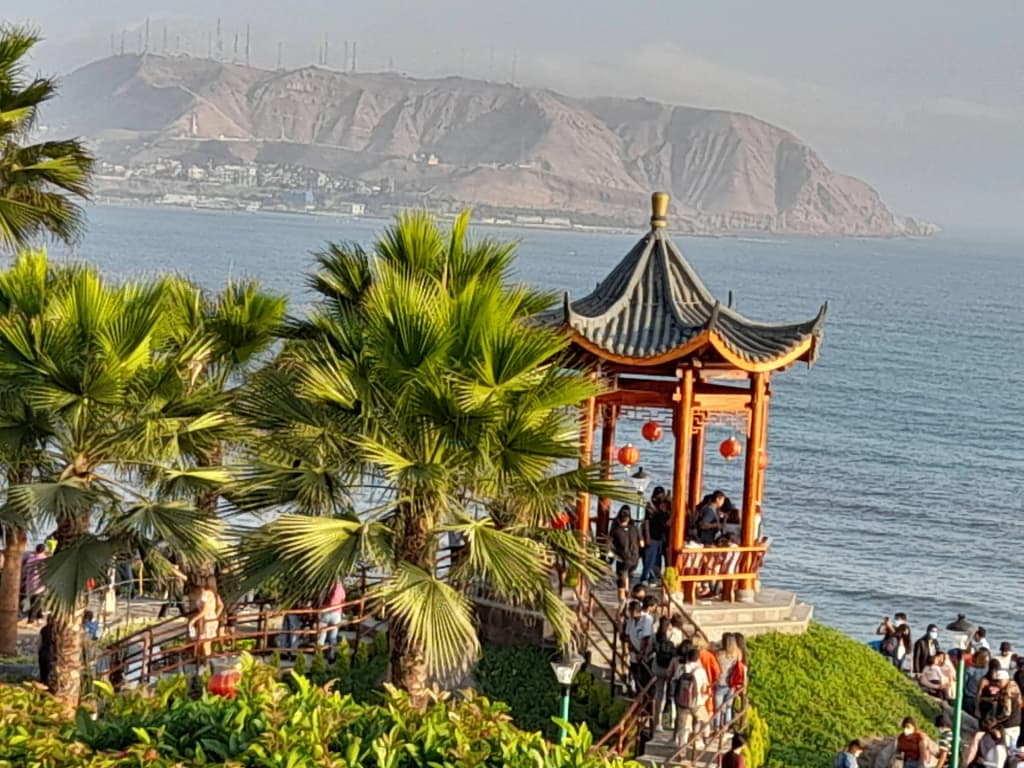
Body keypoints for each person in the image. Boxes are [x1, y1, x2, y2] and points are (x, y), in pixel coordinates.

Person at [670, 646, 711, 749]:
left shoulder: (681, 668)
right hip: (697, 702)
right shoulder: (700, 670)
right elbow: (705, 686)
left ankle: (681, 749)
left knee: (684, 727)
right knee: (705, 720)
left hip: (682, 702)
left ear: (687, 657)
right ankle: (703, 739)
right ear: (698, 658)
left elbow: (674, 680)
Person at [652, 614, 685, 731]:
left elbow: (651, 648)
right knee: (671, 694)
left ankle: (657, 722)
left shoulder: (656, 635)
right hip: (670, 668)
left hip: (658, 666)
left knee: (659, 694)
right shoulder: (676, 634)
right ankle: (672, 720)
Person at [609, 506, 641, 602]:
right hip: (635, 558)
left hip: (623, 558)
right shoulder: (635, 528)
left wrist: (610, 560)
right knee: (628, 575)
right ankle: (628, 594)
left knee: (621, 578)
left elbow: (610, 547)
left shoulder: (615, 531)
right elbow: (642, 543)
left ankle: (622, 600)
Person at [714, 633, 744, 730]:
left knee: (718, 708)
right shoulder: (738, 653)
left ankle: (717, 727)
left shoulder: (719, 654)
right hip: (732, 683)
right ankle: (726, 726)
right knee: (728, 706)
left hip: (720, 682)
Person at [624, 598, 655, 692]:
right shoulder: (631, 620)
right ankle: (637, 692)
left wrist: (642, 653)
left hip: (645, 655)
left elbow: (646, 638)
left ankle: (646, 697)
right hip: (634, 653)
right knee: (635, 675)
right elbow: (628, 635)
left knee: (645, 677)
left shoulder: (647, 619)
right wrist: (632, 649)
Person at [640, 495, 670, 586]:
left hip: (660, 540)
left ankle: (653, 578)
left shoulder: (660, 514)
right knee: (650, 560)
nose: (664, 507)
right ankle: (645, 577)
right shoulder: (657, 514)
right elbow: (667, 524)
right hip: (654, 539)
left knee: (657, 561)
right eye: (663, 505)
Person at [316, 580, 347, 657]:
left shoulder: (326, 587)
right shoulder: (340, 589)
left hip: (325, 612)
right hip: (336, 614)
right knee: (333, 636)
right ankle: (331, 655)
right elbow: (343, 600)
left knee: (322, 635)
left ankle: (319, 655)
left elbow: (320, 599)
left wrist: (320, 609)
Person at [22, 544, 48, 623]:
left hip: (29, 583)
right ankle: (31, 619)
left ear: (36, 550)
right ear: (43, 551)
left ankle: (39, 615)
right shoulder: (44, 559)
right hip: (40, 584)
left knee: (33, 600)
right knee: (37, 602)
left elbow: (25, 570)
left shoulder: (30, 559)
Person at [38, 616, 55, 690]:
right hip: (51, 654)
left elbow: (40, 642)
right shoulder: (57, 631)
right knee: (50, 674)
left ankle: (43, 687)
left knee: (43, 674)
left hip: (43, 653)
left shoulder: (44, 629)